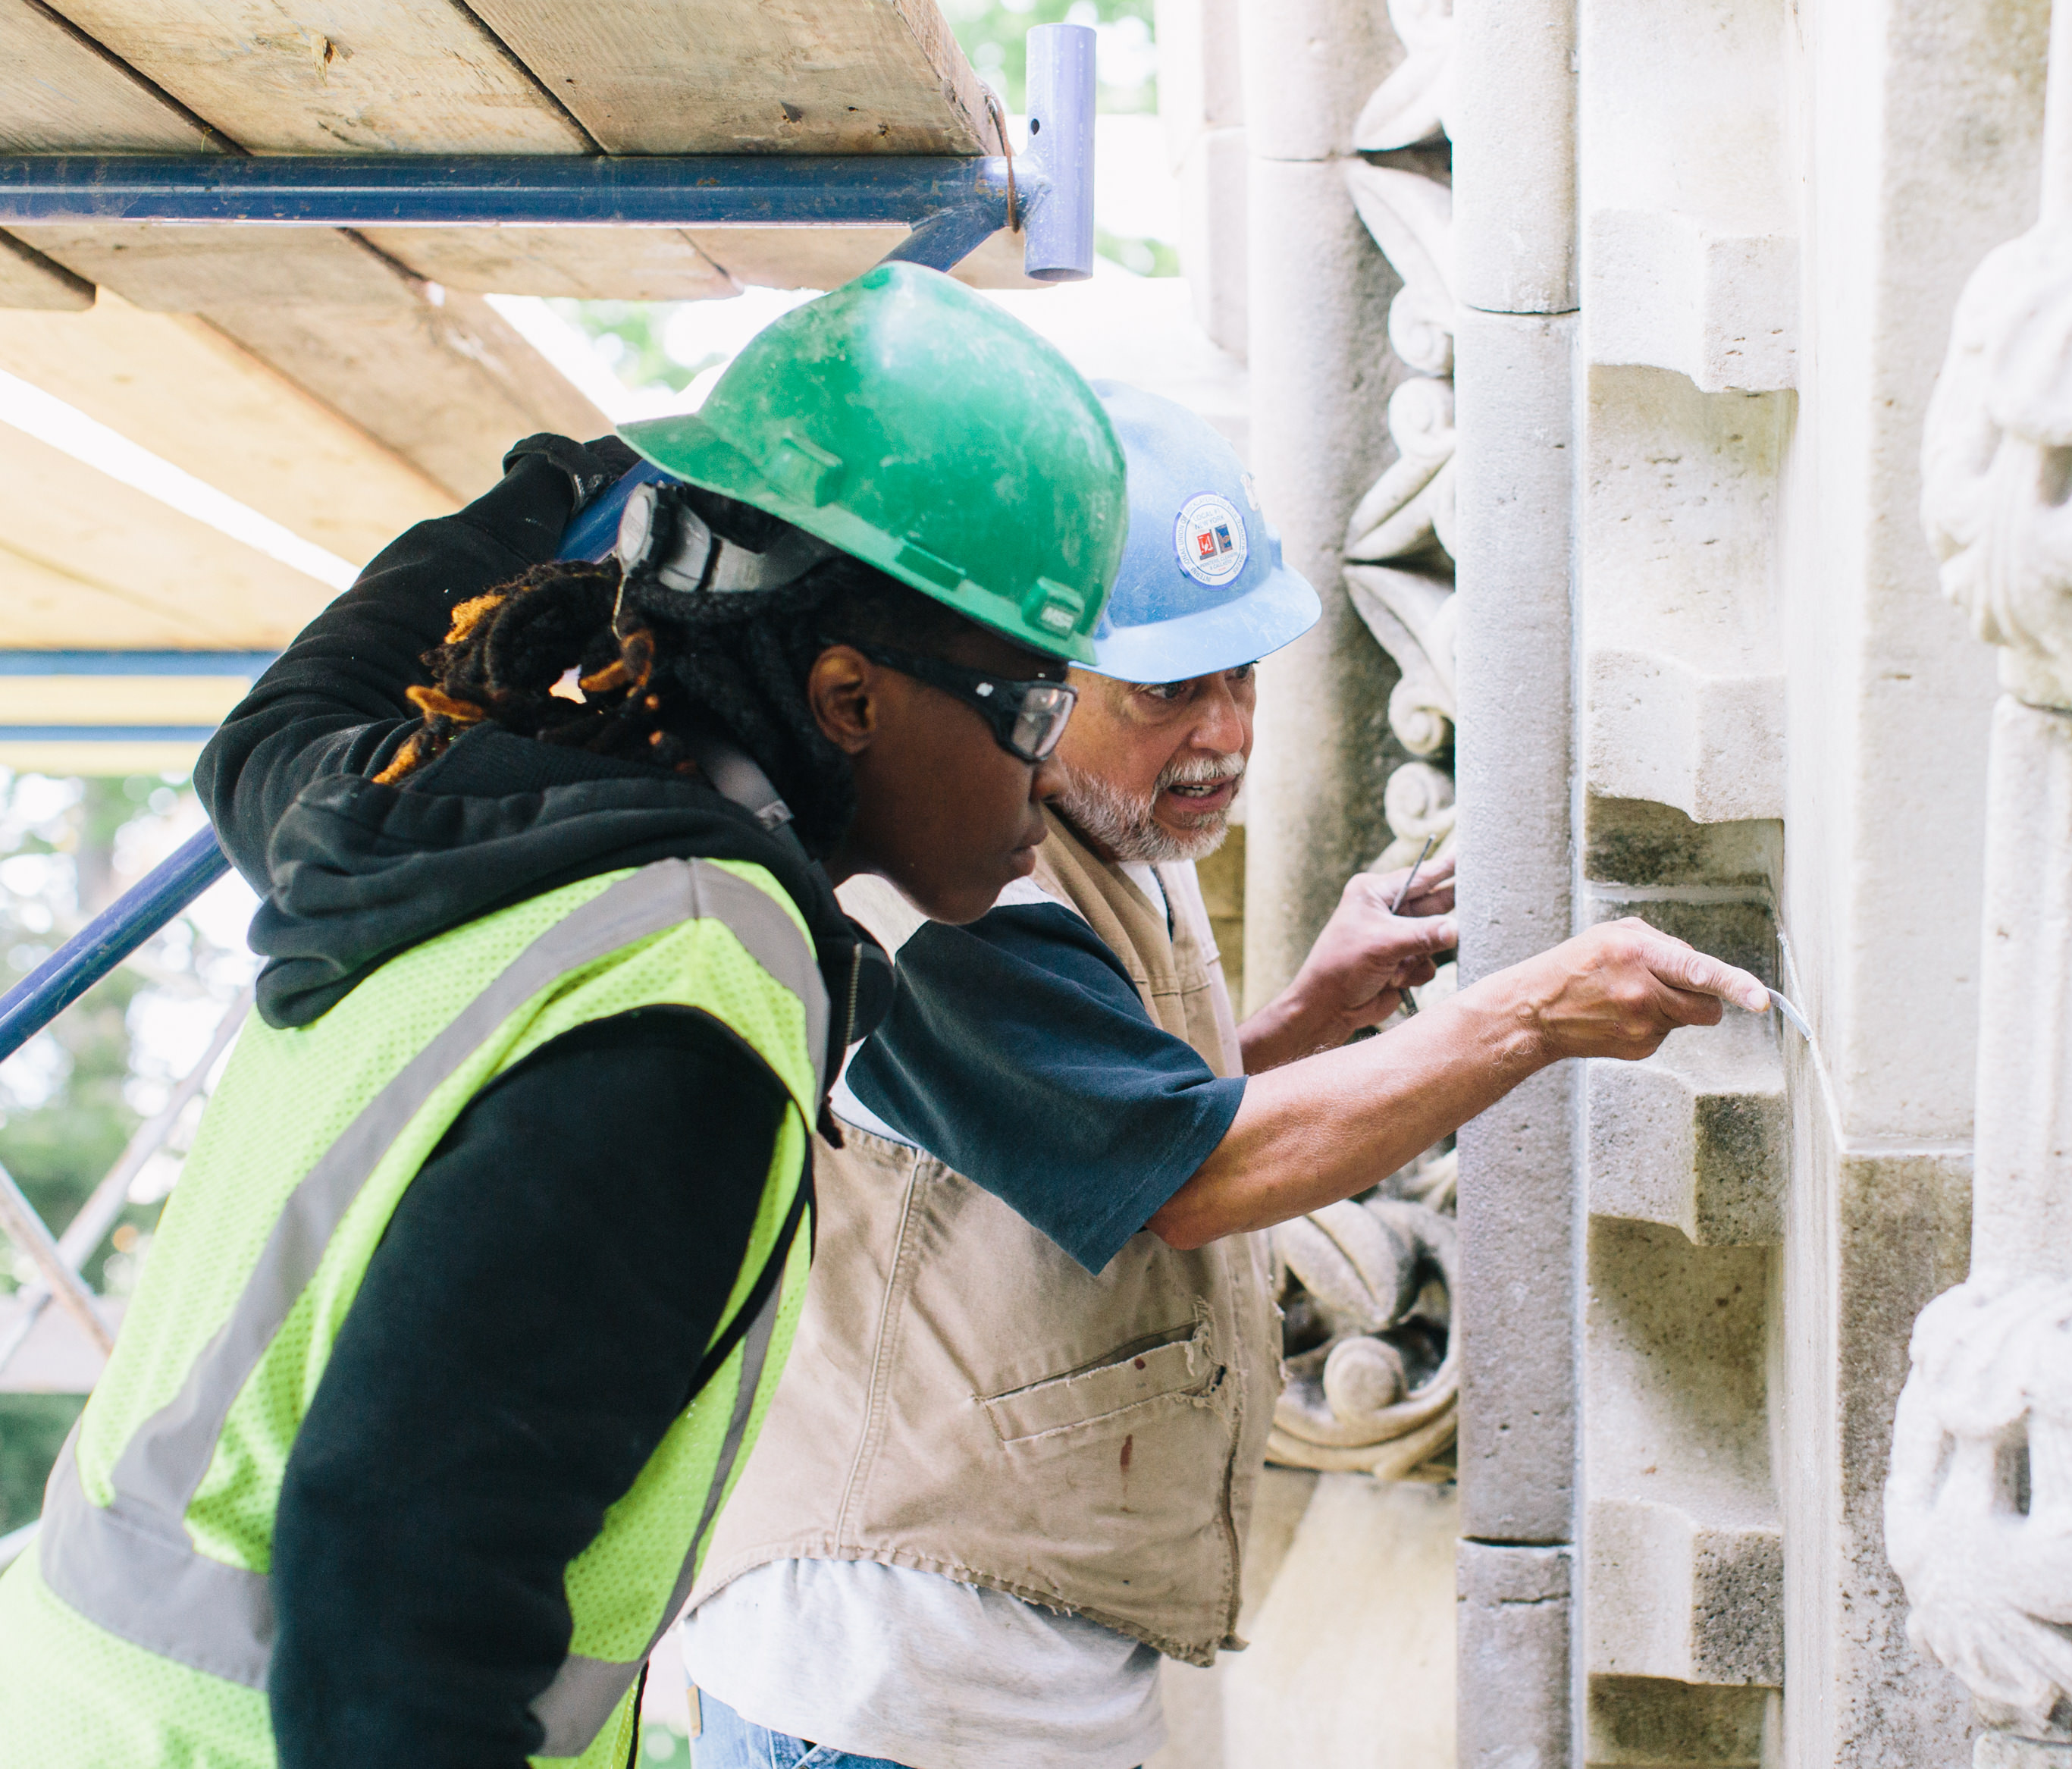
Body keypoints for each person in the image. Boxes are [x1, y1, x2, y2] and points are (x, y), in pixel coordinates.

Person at [0, 264, 1127, 1769]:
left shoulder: (463, 833)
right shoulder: (684, 1010)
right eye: (1033, 710)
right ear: (850, 698)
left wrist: (583, 485)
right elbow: (400, 1603)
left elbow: (278, 726)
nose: (1053, 776)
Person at [676, 383, 1770, 1769]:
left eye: (1240, 674)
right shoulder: (930, 889)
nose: (1224, 734)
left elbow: (1078, 1132)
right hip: (886, 1681)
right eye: (1166, 691)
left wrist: (1309, 1013)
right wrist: (1535, 1014)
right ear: (1026, 673)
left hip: (1024, 1671)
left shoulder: (1111, 816)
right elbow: (1185, 1176)